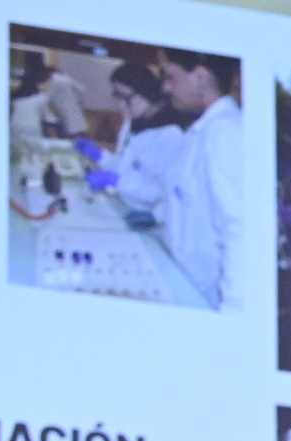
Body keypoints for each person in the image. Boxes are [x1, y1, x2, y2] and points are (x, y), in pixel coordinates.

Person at [160, 48, 246, 310]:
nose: (165, 87)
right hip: (186, 283)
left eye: (170, 77)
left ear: (200, 77)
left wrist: (234, 311)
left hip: (206, 297)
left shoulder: (225, 133)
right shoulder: (204, 130)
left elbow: (239, 229)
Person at [99, 62, 182, 230]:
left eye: (126, 97)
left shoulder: (172, 134)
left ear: (146, 91)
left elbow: (161, 192)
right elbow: (125, 165)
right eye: (117, 96)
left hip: (147, 219)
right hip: (124, 205)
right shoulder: (132, 123)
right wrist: (101, 157)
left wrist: (118, 181)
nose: (121, 105)